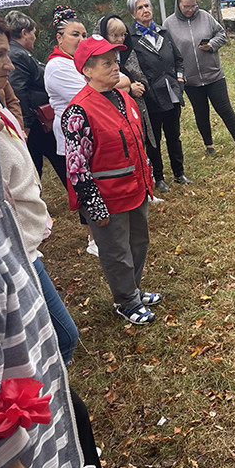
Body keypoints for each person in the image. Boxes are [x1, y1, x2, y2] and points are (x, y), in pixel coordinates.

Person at [0, 35, 85, 468]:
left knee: (61, 340)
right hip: (12, 255)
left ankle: (48, 396)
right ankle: (42, 398)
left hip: (24, 246)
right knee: (64, 335)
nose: (11, 64)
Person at [62, 35, 161, 325]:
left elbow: (136, 144)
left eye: (115, 61)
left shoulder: (124, 97)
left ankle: (133, 288)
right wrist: (94, 205)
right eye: (106, 63)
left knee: (138, 243)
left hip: (136, 189)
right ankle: (126, 301)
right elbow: (77, 166)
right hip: (108, 197)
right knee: (116, 252)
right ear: (87, 70)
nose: (115, 67)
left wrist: (148, 178)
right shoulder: (78, 111)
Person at [44, 6, 102, 257]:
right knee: (84, 183)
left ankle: (100, 232)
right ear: (59, 38)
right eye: (74, 35)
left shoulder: (77, 63)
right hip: (73, 135)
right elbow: (90, 92)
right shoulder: (58, 66)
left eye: (83, 34)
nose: (81, 40)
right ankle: (93, 238)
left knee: (96, 179)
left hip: (91, 130)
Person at [163, 0, 235, 156]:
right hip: (191, 80)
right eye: (187, 6)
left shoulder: (205, 17)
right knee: (201, 113)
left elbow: (221, 35)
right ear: (178, 4)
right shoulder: (169, 24)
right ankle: (209, 146)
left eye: (194, 5)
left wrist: (212, 45)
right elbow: (167, 51)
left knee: (225, 109)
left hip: (214, 75)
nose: (191, 10)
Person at [94, 14, 164, 205]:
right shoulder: (98, 57)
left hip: (135, 108)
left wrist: (136, 84)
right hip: (112, 113)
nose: (120, 40)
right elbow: (108, 84)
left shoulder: (127, 52)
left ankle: (147, 188)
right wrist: (128, 86)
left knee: (141, 147)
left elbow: (138, 75)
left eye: (123, 35)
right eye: (115, 35)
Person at [127, 0, 192, 192]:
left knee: (174, 135)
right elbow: (127, 67)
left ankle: (179, 172)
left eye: (147, 6)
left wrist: (180, 79)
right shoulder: (131, 38)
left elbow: (179, 59)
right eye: (140, 8)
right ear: (133, 14)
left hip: (171, 91)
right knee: (153, 139)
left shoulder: (163, 32)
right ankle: (158, 177)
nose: (146, 10)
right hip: (150, 97)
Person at [5, 10, 66, 183]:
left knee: (37, 167)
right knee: (41, 167)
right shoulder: (17, 55)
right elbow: (18, 91)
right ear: (24, 32)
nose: (35, 37)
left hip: (38, 123)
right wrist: (25, 124)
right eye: (33, 33)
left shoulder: (20, 53)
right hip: (37, 125)